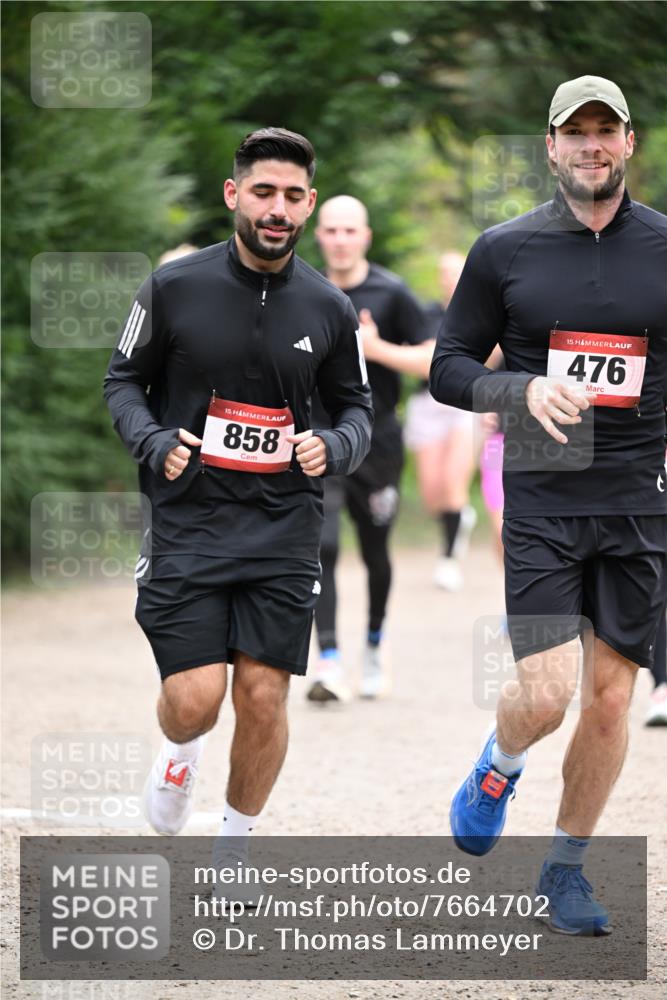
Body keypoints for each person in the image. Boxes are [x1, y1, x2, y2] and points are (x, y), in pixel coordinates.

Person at [430, 76, 667, 936]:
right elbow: (448, 366)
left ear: (628, 143)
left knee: (610, 700)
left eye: (606, 131)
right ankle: (497, 767)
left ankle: (565, 868)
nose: (591, 146)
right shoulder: (505, 249)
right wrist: (519, 387)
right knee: (543, 692)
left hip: (640, 503)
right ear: (551, 146)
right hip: (539, 497)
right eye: (576, 133)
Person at [104, 130, 373, 859]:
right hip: (188, 519)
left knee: (263, 694)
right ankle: (178, 752)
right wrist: (156, 443)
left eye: (292, 196)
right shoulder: (174, 286)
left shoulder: (328, 308)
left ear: (309, 205)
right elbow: (122, 381)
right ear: (234, 195)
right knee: (194, 703)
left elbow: (356, 411)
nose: (277, 209)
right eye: (263, 192)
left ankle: (235, 847)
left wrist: (334, 445)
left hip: (284, 526)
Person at [306, 195, 427, 702]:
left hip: (378, 443)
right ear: (318, 236)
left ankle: (374, 645)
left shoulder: (393, 294)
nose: (339, 240)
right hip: (314, 438)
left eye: (348, 231)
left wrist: (375, 349)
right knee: (322, 546)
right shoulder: (301, 290)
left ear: (365, 237)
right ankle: (328, 661)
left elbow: (432, 360)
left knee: (376, 552)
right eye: (330, 231)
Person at [404, 252, 478, 591]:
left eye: (456, 271)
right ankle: (457, 518)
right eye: (444, 272)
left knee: (452, 485)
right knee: (432, 493)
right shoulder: (425, 313)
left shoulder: (482, 311)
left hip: (466, 404)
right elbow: (419, 360)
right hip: (427, 402)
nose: (450, 278)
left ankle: (448, 559)